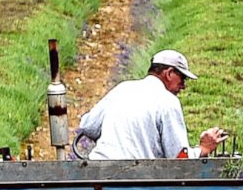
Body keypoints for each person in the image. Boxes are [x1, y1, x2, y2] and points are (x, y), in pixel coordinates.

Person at [71, 50, 229, 161]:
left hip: (97, 173)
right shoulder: (167, 101)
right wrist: (204, 149)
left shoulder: (123, 88)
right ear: (169, 73)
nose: (183, 86)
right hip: (138, 180)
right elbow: (179, 159)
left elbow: (88, 126)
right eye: (182, 79)